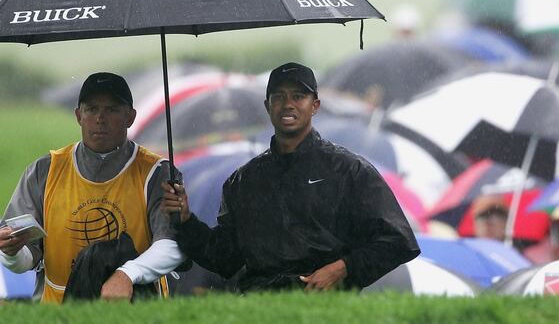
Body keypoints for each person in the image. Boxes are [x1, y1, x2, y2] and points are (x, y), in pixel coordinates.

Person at [162, 62, 419, 292]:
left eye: (299, 96)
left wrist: (342, 268)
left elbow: (398, 240)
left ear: (315, 105)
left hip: (326, 310)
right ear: (268, 105)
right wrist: (186, 221)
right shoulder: (244, 181)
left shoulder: (349, 171)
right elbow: (224, 258)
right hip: (261, 309)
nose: (288, 104)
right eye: (279, 97)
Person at [0, 72, 186, 303]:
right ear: (79, 115)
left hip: (135, 307)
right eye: (91, 109)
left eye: (112, 109)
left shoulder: (157, 173)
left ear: (130, 117)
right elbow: (25, 259)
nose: (100, 118)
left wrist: (127, 274)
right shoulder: (44, 171)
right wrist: (11, 252)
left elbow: (173, 245)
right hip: (56, 310)